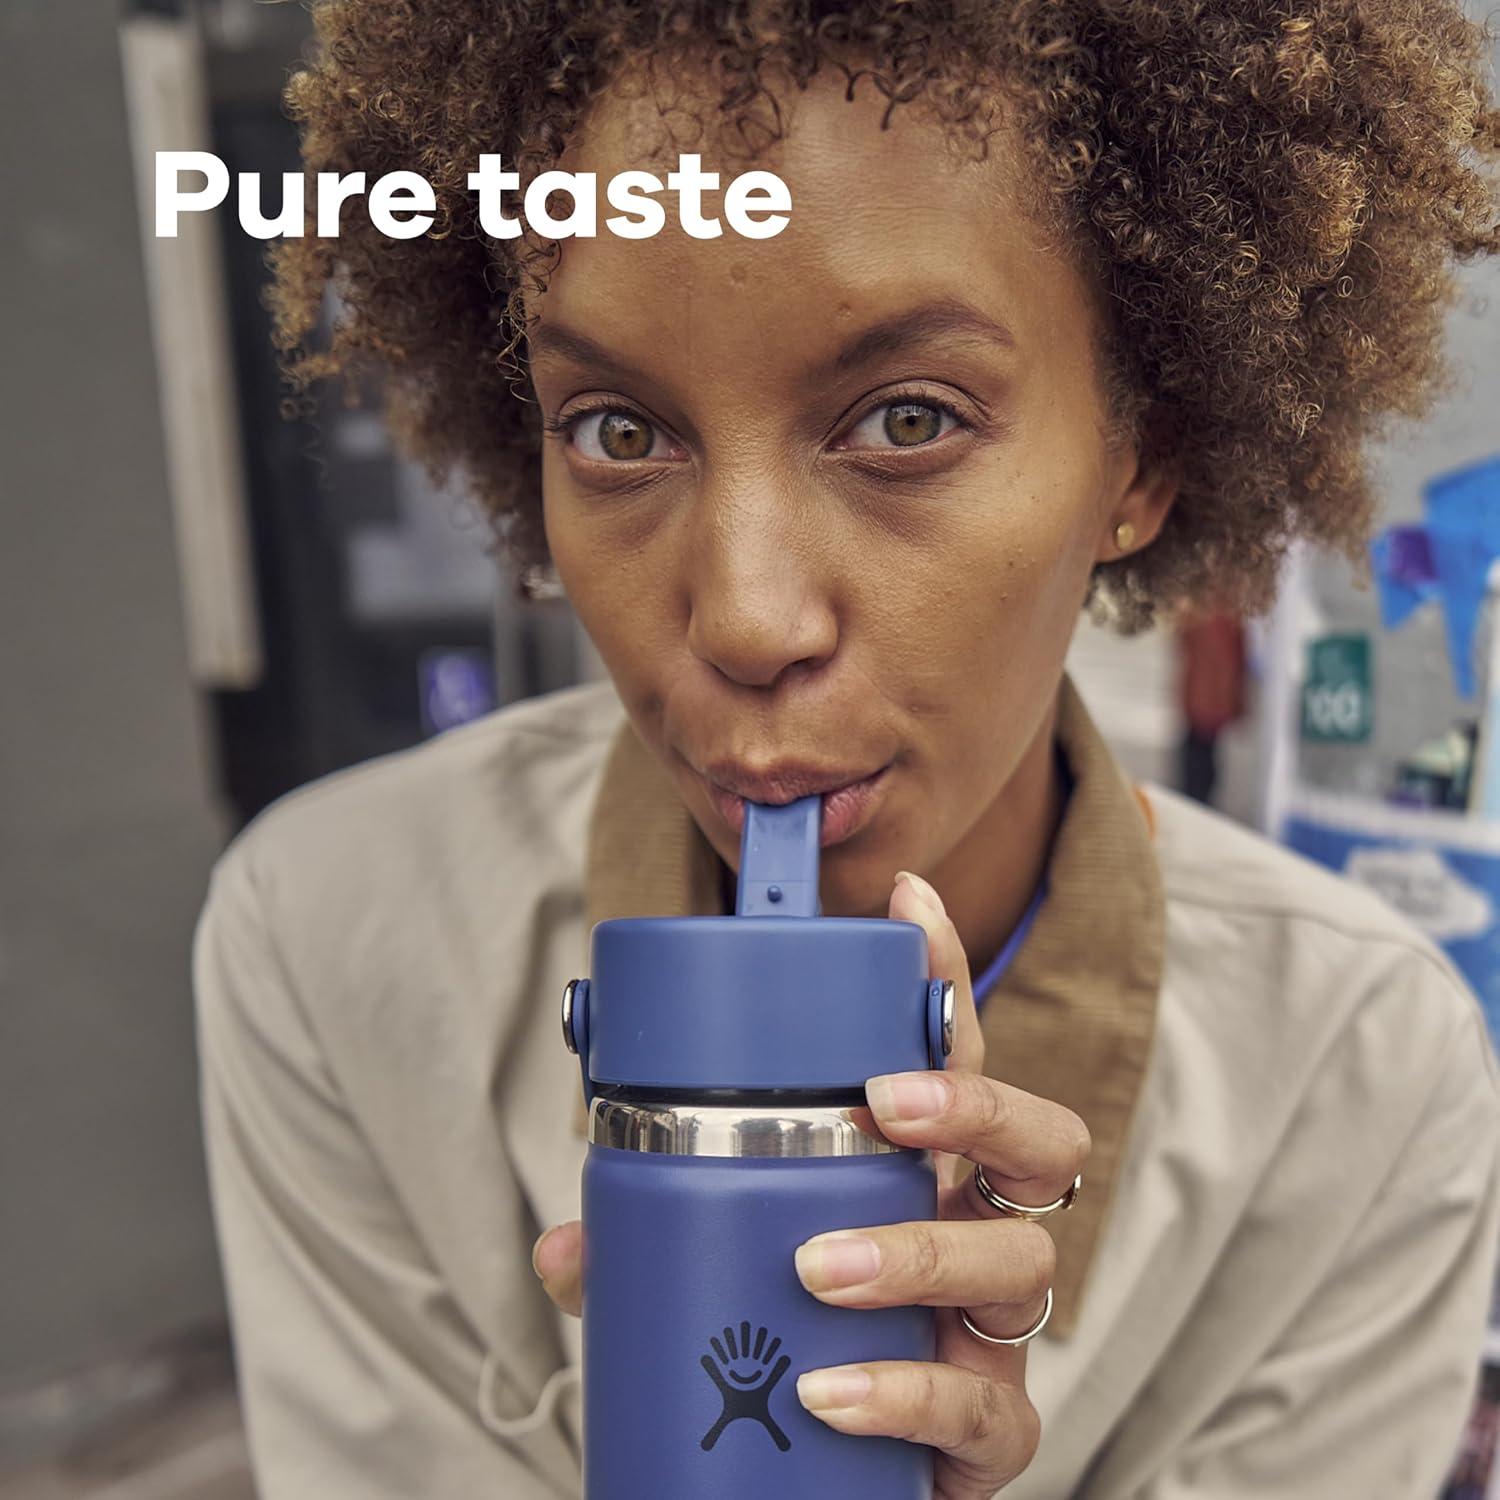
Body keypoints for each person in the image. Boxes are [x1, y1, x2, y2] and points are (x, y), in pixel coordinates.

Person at [193, 3, 1500, 1496]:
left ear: (1141, 462)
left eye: (908, 418)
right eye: (617, 432)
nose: (748, 619)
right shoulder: (332, 939)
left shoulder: (1361, 1074)